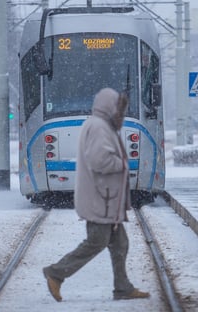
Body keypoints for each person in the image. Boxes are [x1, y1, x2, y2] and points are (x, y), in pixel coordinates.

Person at [43, 88, 150, 302]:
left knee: (120, 244)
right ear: (109, 107)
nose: (121, 112)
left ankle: (122, 287)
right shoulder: (99, 127)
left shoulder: (101, 125)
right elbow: (99, 161)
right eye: (119, 108)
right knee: (97, 241)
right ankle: (56, 272)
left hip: (106, 198)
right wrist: (123, 165)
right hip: (100, 198)